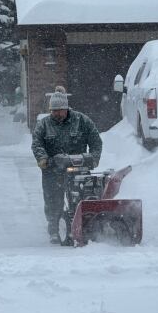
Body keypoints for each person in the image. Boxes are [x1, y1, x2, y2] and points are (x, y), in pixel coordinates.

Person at [31, 86, 103, 244]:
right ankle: (54, 229)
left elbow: (95, 140)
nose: (56, 114)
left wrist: (94, 157)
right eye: (53, 111)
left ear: (66, 108)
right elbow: (37, 144)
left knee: (84, 196)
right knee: (53, 200)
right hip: (53, 170)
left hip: (79, 168)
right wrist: (43, 159)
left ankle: (86, 224)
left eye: (59, 110)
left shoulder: (81, 121)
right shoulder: (44, 124)